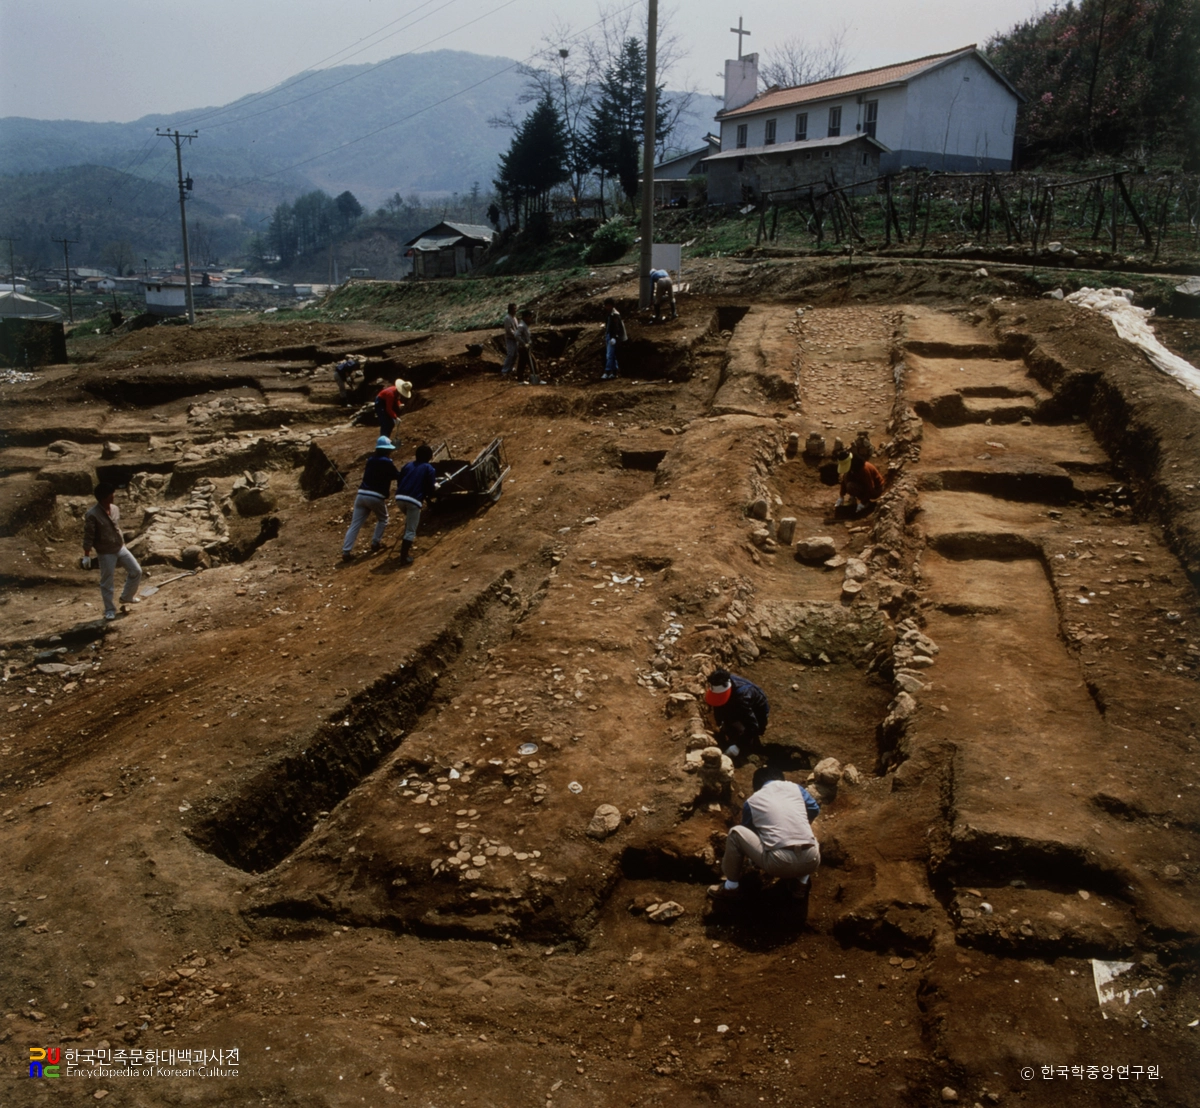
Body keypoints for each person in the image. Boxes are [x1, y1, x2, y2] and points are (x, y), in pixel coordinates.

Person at [709, 766, 821, 900]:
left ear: (756, 786)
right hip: (812, 860)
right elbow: (814, 809)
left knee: (735, 833)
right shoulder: (797, 789)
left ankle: (730, 887)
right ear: (781, 779)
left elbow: (749, 831)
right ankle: (801, 884)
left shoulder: (753, 800)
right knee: (808, 834)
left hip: (778, 863)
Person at [82, 482, 142, 621]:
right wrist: (86, 555)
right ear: (104, 497)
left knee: (136, 571)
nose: (114, 496)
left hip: (120, 547)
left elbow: (116, 527)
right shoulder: (92, 515)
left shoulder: (115, 509)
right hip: (105, 552)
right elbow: (88, 536)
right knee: (107, 582)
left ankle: (127, 597)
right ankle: (109, 610)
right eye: (111, 494)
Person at [341, 436, 404, 561]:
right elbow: (396, 475)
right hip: (375, 496)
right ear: (387, 450)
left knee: (355, 524)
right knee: (383, 519)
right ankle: (375, 542)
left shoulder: (370, 460)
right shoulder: (387, 461)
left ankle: (346, 551)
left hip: (361, 495)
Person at [705, 668, 770, 760]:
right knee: (729, 719)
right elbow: (717, 704)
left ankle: (750, 746)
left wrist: (738, 746)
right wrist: (720, 723)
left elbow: (753, 726)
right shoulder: (721, 681)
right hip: (739, 703)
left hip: (757, 710)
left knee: (751, 731)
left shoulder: (742, 698)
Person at [394, 443, 438, 566]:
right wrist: (433, 491)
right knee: (411, 530)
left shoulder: (407, 465)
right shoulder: (429, 468)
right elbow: (430, 488)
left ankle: (404, 550)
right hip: (413, 501)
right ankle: (404, 557)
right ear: (430, 457)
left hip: (399, 498)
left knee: (410, 521)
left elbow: (399, 480)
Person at [835, 449, 884, 516]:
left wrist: (863, 503)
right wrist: (841, 496)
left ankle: (866, 503)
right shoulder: (853, 468)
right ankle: (852, 500)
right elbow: (844, 481)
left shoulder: (864, 469)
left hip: (876, 490)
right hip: (865, 486)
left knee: (851, 486)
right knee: (847, 478)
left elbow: (870, 488)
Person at [514, 309, 545, 385]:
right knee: (533, 362)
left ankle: (520, 380)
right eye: (530, 317)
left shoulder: (524, 325)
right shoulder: (522, 326)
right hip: (524, 348)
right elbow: (516, 335)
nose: (531, 319)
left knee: (521, 364)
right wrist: (524, 344)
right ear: (526, 317)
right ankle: (536, 380)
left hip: (523, 348)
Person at [601, 297, 626, 380]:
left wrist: (614, 337)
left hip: (613, 337)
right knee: (612, 355)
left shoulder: (615, 315)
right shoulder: (608, 314)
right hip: (609, 335)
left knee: (609, 355)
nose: (607, 307)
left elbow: (616, 327)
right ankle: (614, 372)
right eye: (606, 306)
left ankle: (607, 371)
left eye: (609, 306)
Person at [500, 302, 520, 377]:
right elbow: (508, 329)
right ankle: (504, 370)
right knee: (511, 354)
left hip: (515, 338)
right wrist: (515, 334)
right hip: (510, 338)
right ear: (510, 309)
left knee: (515, 354)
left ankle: (510, 368)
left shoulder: (514, 318)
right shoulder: (507, 318)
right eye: (514, 308)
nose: (515, 310)